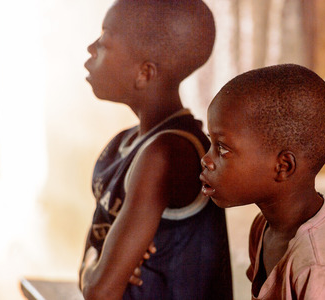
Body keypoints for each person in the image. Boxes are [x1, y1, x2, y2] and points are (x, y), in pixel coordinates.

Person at [78, 1, 233, 299]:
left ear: (145, 73)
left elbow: (99, 291)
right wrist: (95, 265)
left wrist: (96, 268)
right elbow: (92, 255)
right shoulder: (124, 144)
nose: (90, 49)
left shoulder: (168, 153)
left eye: (105, 41)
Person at [200, 64, 325, 299]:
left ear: (283, 167)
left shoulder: (321, 269)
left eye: (222, 149)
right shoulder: (264, 227)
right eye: (211, 143)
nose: (207, 160)